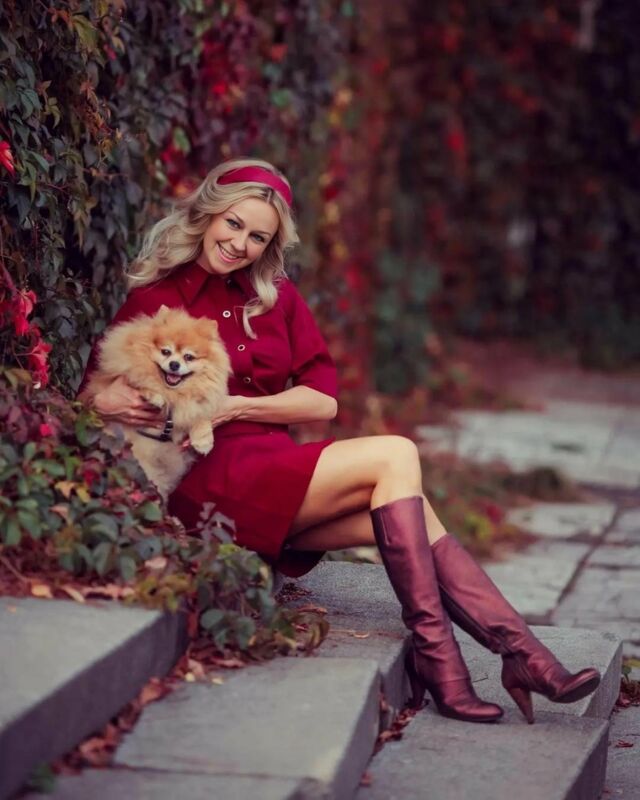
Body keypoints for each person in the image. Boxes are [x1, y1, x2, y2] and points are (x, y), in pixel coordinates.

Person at [81, 157, 600, 725]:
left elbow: (323, 399)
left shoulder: (275, 296)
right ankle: (466, 660)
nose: (240, 244)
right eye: (233, 224)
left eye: (258, 237)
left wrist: (241, 406)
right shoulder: (159, 297)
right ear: (208, 214)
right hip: (209, 476)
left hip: (274, 468)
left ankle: (511, 657)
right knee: (396, 455)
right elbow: (92, 395)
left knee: (406, 512)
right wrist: (109, 401)